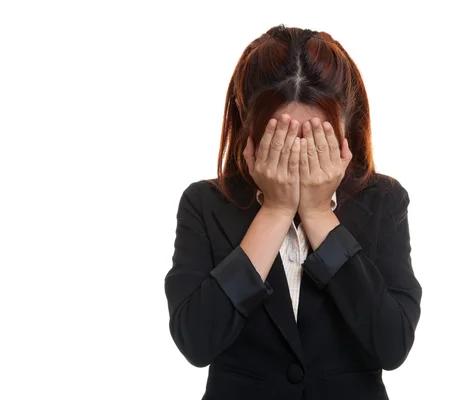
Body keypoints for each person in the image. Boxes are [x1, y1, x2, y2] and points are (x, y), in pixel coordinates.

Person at [164, 24, 422, 400]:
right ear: (249, 133)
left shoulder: (384, 201)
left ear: (346, 131)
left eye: (316, 139)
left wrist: (318, 212)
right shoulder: (205, 203)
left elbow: (392, 343)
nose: (299, 154)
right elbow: (197, 341)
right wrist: (275, 210)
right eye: (280, 138)